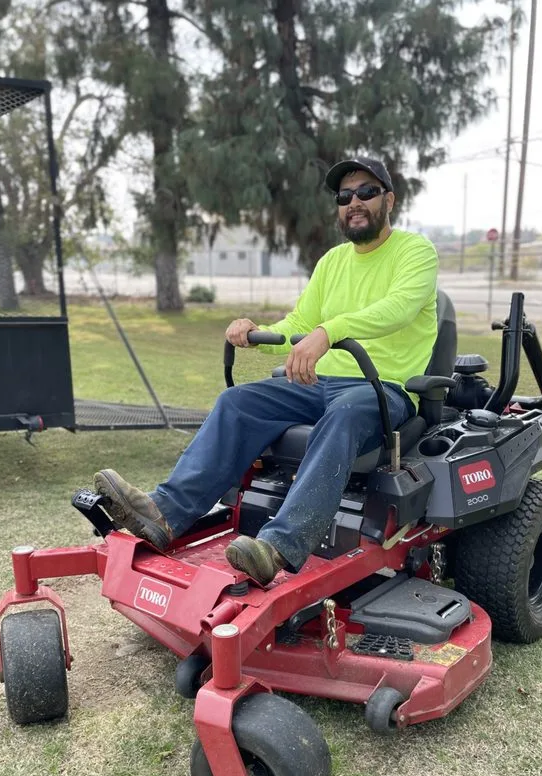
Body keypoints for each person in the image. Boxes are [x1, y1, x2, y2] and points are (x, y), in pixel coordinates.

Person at [95, 156, 439, 587]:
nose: (354, 202)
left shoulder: (415, 252)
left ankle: (278, 546)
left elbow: (397, 308)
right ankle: (165, 514)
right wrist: (257, 331)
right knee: (237, 401)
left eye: (367, 192)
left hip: (382, 388)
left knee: (346, 412)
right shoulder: (333, 261)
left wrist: (328, 332)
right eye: (345, 195)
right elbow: (300, 322)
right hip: (322, 384)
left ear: (389, 200)